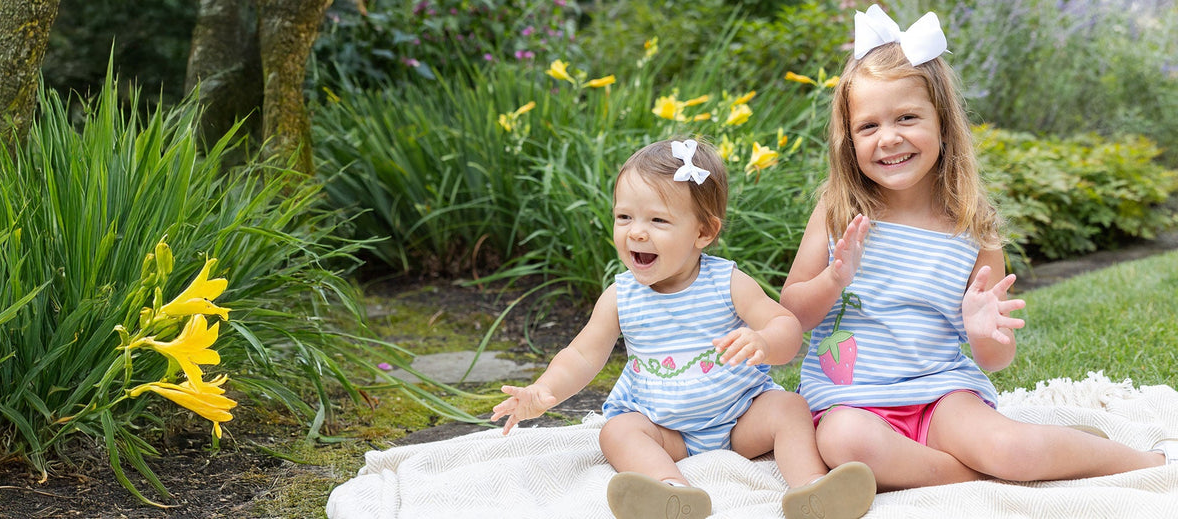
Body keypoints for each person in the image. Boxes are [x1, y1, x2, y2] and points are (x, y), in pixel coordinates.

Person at [780, 4, 1176, 493]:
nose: (889, 139)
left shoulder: (972, 229)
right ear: (849, 139)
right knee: (845, 443)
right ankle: (972, 477)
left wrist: (983, 332)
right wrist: (833, 279)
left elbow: (993, 358)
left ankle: (1145, 460)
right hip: (849, 400)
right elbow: (793, 314)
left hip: (942, 394)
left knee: (1011, 448)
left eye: (907, 117)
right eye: (869, 127)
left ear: (944, 124)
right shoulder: (837, 212)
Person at [491, 138, 876, 519]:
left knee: (789, 407)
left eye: (657, 220)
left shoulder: (726, 282)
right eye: (624, 217)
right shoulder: (620, 296)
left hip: (740, 418)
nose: (636, 232)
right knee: (617, 432)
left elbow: (786, 327)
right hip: (664, 429)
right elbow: (581, 354)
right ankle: (670, 491)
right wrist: (545, 390)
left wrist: (763, 340)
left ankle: (811, 489)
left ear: (703, 233)